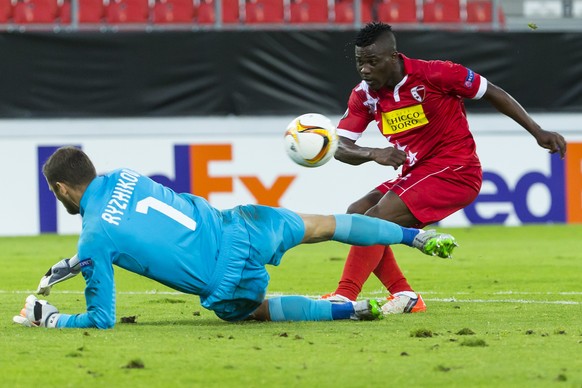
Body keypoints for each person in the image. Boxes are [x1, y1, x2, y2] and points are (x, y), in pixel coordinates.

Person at [13, 146, 457, 329]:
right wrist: (76, 261)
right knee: (329, 224)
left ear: (59, 190)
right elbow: (140, 224)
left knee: (251, 311)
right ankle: (414, 238)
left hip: (223, 280)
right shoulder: (125, 175)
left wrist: (49, 317)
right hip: (242, 224)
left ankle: (354, 310)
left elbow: (102, 319)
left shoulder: (94, 238)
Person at [321, 22, 567, 314]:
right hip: (417, 174)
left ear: (394, 57)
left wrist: (538, 132)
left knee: (377, 219)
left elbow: (492, 91)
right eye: (360, 62)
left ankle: (344, 295)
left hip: (456, 170)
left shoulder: (436, 73)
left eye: (372, 62)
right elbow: (339, 146)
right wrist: (373, 152)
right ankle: (405, 296)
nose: (364, 70)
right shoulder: (365, 96)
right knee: (356, 214)